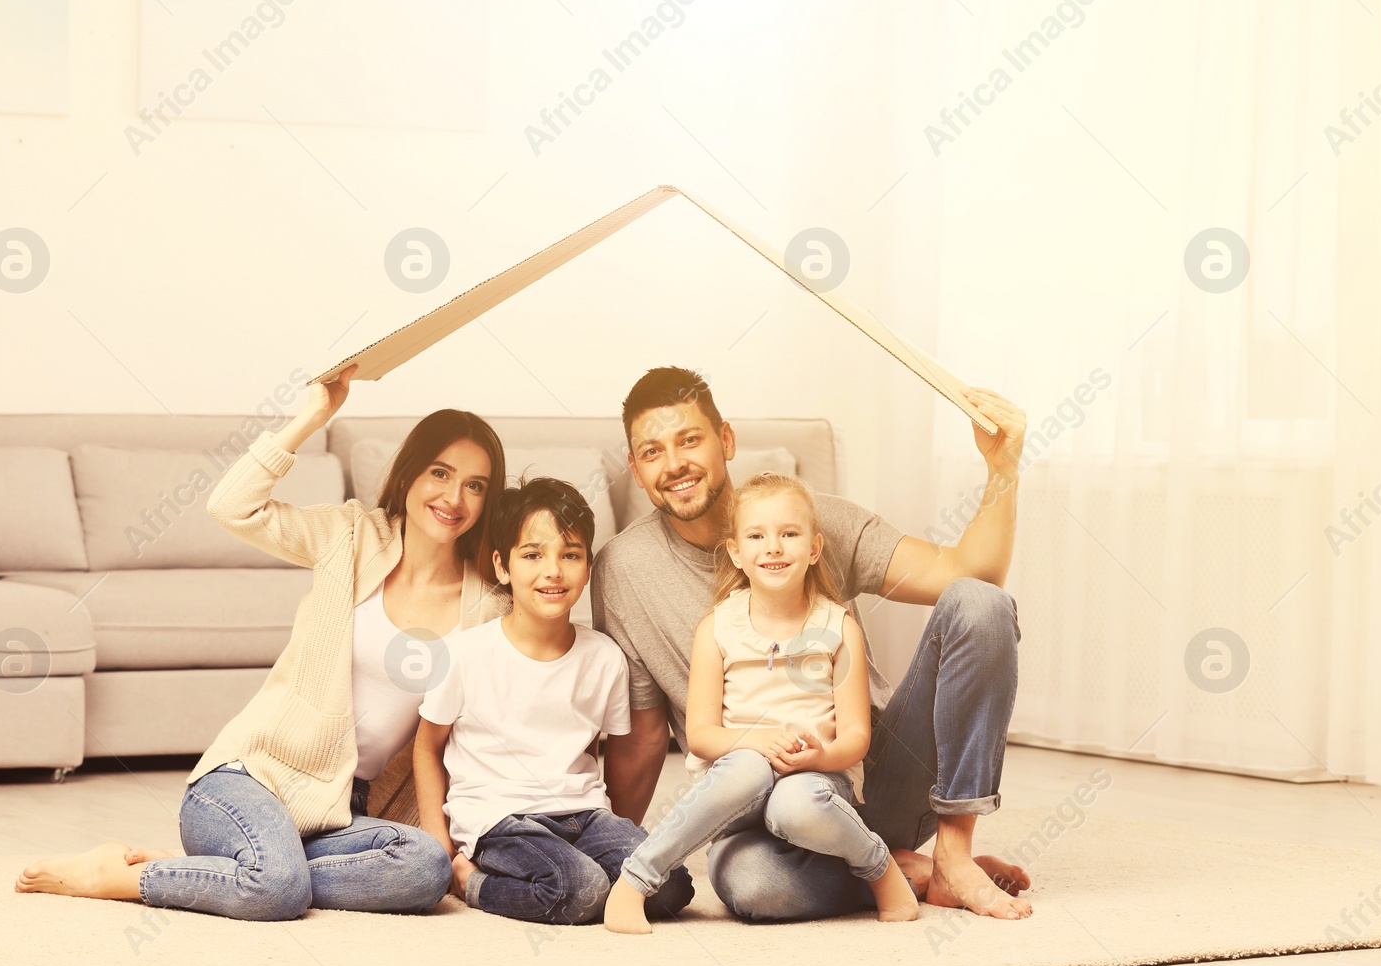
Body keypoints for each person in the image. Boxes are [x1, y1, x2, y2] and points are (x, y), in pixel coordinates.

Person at [15, 363, 513, 920]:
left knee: (425, 867)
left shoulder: (489, 604)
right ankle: (122, 877)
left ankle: (236, 872)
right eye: (440, 474)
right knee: (277, 892)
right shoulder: (348, 536)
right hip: (248, 781)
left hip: (342, 812)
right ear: (409, 476)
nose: (454, 497)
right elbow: (232, 507)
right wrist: (313, 416)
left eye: (475, 485)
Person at [593, 367, 1033, 921]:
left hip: (865, 776)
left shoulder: (810, 519)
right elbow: (643, 733)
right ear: (635, 468)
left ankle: (952, 855)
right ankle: (902, 872)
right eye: (652, 451)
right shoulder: (621, 570)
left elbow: (973, 572)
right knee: (757, 888)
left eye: (689, 440)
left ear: (725, 440)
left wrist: (1002, 468)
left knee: (981, 603)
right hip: (753, 809)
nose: (674, 463)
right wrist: (613, 850)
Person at [604, 472, 919, 933]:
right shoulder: (716, 628)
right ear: (736, 551)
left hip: (817, 780)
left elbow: (855, 735)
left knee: (795, 804)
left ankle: (880, 866)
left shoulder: (839, 628)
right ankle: (636, 879)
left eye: (789, 534)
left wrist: (822, 755)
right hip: (739, 786)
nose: (773, 547)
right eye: (756, 535)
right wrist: (756, 741)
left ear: (813, 548)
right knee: (749, 767)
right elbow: (701, 735)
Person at [414, 477, 694, 925]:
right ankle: (476, 883)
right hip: (501, 818)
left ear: (587, 566)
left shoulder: (604, 657)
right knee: (580, 889)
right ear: (502, 567)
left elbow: (591, 749)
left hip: (584, 814)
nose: (553, 571)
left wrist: (616, 835)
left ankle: (583, 872)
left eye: (570, 555)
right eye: (532, 555)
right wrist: (439, 843)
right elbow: (427, 748)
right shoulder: (464, 653)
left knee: (671, 885)